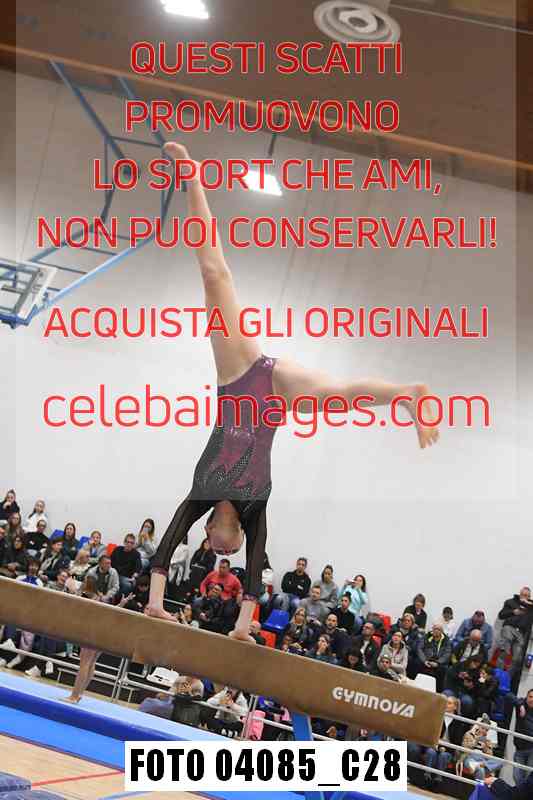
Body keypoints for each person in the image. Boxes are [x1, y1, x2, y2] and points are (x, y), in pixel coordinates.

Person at [146, 142, 440, 640]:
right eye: (227, 551)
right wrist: (244, 627)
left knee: (214, 275)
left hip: (238, 378)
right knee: (338, 396)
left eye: (215, 548)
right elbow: (256, 567)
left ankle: (191, 177)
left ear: (208, 529)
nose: (221, 552)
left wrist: (156, 603)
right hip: (275, 399)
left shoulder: (202, 492)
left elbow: (169, 540)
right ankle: (406, 393)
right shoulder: (254, 506)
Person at [408, 695, 466, 788]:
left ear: (455, 707)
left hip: (448, 750)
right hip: (434, 745)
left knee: (443, 756)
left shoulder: (459, 722)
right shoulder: (438, 716)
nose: (446, 704)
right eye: (446, 702)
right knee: (431, 752)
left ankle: (438, 780)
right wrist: (435, 745)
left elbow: (457, 742)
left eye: (449, 703)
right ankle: (426, 777)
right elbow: (430, 733)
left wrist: (445, 748)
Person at [495, 587, 533, 673]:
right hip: (509, 628)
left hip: (521, 633)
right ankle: (498, 674)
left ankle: (507, 678)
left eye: (527, 596)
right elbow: (501, 615)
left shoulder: (531, 608)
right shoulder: (510, 602)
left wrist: (529, 603)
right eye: (523, 595)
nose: (524, 597)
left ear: (529, 597)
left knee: (517, 658)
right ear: (520, 594)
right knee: (505, 651)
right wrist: (513, 612)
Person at [411, 623, 452, 691]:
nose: (436, 631)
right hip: (426, 659)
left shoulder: (446, 640)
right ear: (432, 630)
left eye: (438, 629)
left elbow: (447, 654)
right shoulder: (426, 636)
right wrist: (424, 661)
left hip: (438, 661)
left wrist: (438, 663)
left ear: (442, 632)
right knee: (416, 662)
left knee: (443, 669)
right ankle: (412, 684)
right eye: (434, 629)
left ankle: (437, 691)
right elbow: (419, 649)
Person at [505, 689, 533, 786]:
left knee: (529, 777)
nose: (532, 700)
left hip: (532, 749)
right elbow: (508, 695)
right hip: (520, 749)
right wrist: (520, 705)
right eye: (530, 697)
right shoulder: (521, 704)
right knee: (517, 777)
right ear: (526, 697)